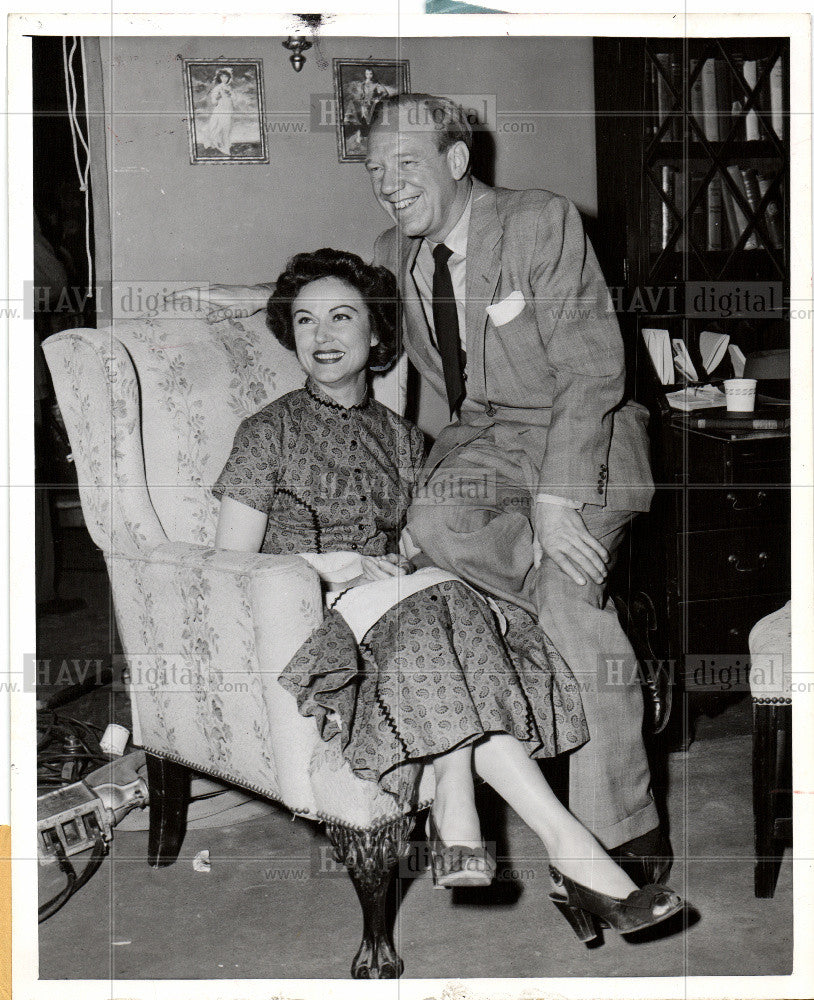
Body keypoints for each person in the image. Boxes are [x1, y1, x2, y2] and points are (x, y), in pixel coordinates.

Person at [172, 92, 669, 885]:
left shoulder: (539, 221)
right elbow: (342, 306)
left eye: (408, 165)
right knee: (437, 521)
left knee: (569, 594)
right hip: (489, 445)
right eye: (376, 170)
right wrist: (250, 302)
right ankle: (513, 667)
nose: (390, 184)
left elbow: (593, 370)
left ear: (457, 161)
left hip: (586, 438)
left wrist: (555, 499)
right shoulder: (392, 249)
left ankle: (622, 837)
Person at [212, 247, 683, 938]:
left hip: (414, 625)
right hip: (323, 626)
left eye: (342, 317)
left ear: (376, 334)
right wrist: (328, 563)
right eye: (306, 321)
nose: (322, 336)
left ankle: (478, 821)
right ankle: (558, 844)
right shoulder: (267, 432)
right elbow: (228, 563)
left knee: (440, 594)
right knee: (438, 602)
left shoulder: (410, 442)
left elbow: (431, 545)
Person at [198, 68, 235, 155]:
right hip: (221, 109)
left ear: (228, 78)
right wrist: (218, 98)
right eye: (222, 77)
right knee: (220, 127)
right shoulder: (218, 88)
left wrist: (231, 95)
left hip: (228, 108)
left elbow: (234, 98)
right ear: (220, 78)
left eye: (226, 77)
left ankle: (224, 144)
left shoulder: (229, 87)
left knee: (227, 127)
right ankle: (224, 147)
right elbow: (213, 101)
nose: (224, 79)